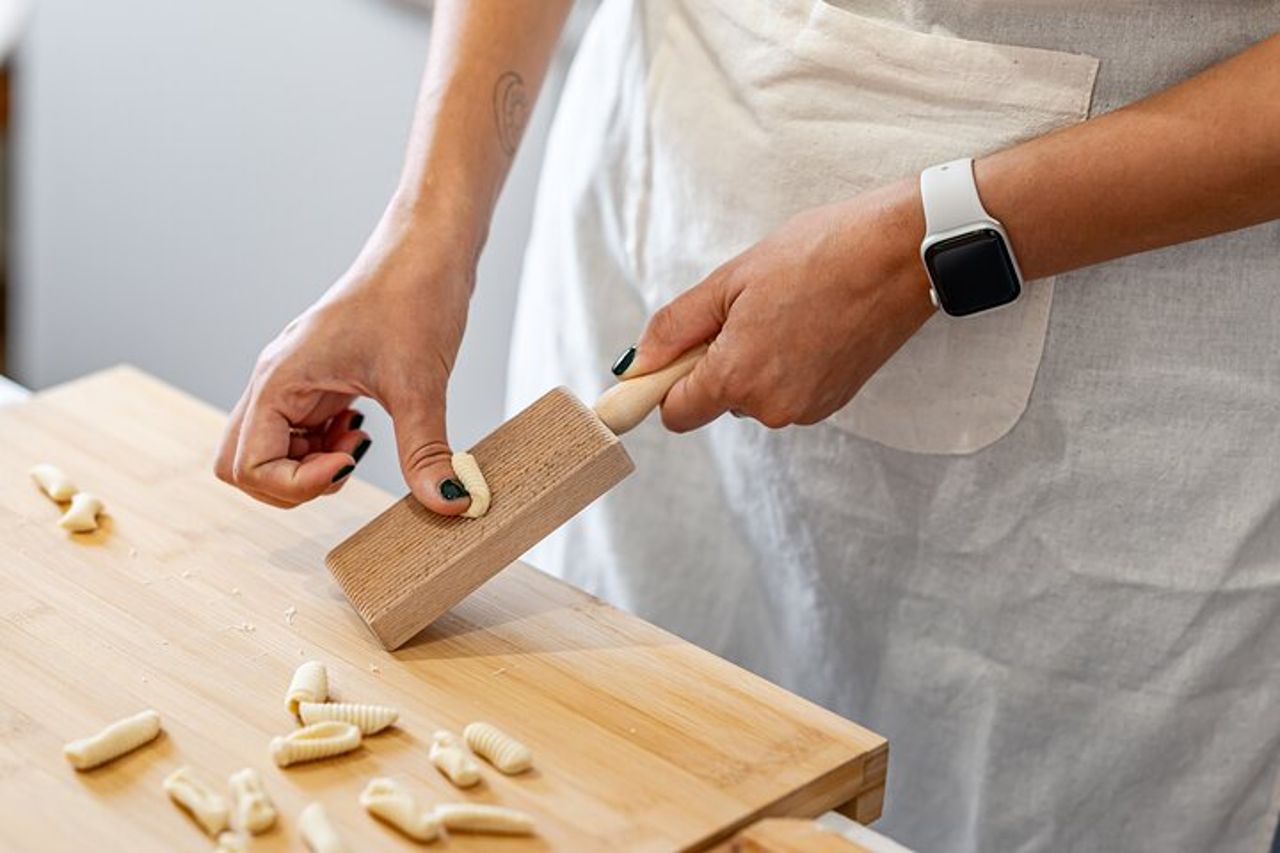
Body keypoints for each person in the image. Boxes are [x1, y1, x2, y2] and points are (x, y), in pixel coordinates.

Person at [215, 2, 1280, 849]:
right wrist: (427, 231)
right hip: (660, 177)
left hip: (1094, 372)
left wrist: (926, 244)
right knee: (587, 774)